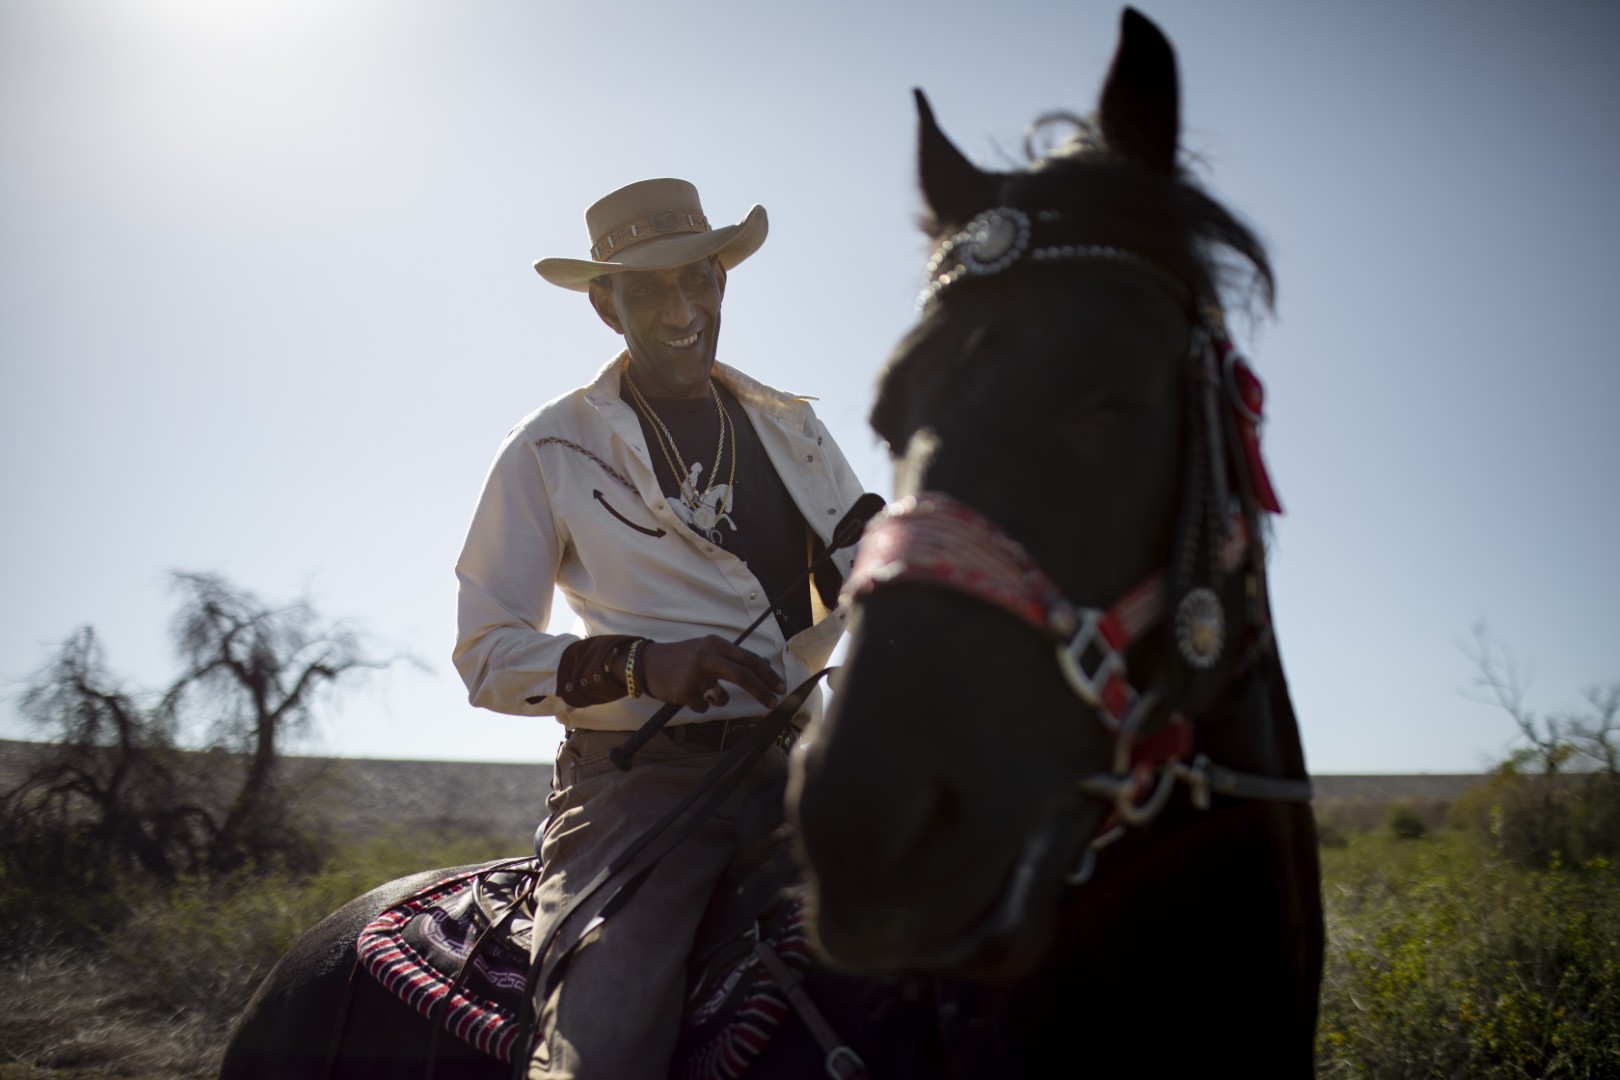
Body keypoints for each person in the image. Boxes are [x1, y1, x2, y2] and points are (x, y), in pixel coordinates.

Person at [453, 177, 868, 1080]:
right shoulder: (550, 448)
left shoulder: (795, 429)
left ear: (723, 279)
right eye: (648, 291)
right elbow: (487, 655)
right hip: (644, 787)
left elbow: (864, 575)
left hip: (811, 768)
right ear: (605, 306)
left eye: (697, 280)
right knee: (601, 1049)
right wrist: (642, 665)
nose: (682, 311)